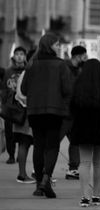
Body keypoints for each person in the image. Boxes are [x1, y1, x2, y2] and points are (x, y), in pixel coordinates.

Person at [21, 33, 72, 198]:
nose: (59, 47)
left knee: (38, 145)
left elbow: (23, 89)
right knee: (52, 146)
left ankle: (38, 185)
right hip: (54, 110)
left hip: (35, 111)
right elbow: (67, 89)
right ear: (49, 46)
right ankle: (46, 179)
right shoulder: (61, 65)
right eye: (57, 44)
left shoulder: (31, 65)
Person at [71, 59, 100, 207]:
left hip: (83, 129)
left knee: (85, 163)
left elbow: (72, 108)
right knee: (98, 163)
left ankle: (84, 197)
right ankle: (96, 195)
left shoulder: (78, 86)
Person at [61, 45, 88, 180]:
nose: (86, 58)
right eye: (84, 56)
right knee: (54, 141)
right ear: (77, 56)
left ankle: (73, 169)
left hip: (75, 112)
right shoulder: (64, 68)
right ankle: (40, 168)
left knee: (75, 142)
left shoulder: (81, 70)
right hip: (64, 112)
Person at [1, 46, 27, 164]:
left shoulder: (28, 71)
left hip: (24, 106)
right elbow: (3, 88)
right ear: (13, 56)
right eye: (17, 54)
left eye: (22, 54)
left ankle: (20, 155)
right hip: (10, 106)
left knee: (23, 133)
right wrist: (5, 102)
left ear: (25, 57)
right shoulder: (8, 71)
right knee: (9, 132)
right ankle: (11, 155)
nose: (19, 56)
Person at [13, 49, 36, 184]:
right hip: (27, 113)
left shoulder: (25, 72)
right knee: (25, 143)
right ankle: (22, 174)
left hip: (24, 111)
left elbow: (19, 94)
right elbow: (21, 94)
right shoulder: (29, 73)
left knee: (24, 143)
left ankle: (23, 174)